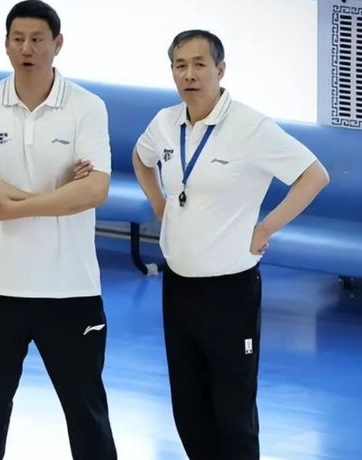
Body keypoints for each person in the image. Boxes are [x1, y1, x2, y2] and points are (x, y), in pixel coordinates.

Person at [132, 29, 330, 459]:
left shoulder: (250, 127)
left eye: (199, 64)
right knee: (188, 405)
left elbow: (314, 176)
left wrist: (266, 228)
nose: (189, 74)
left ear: (220, 70)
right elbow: (141, 158)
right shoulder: (165, 123)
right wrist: (159, 202)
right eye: (180, 66)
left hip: (229, 291)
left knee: (233, 408)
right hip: (178, 286)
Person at [0, 1, 118, 459]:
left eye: (37, 39)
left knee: (87, 414)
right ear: (6, 44)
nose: (26, 49)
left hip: (70, 290)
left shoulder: (87, 107)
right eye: (18, 39)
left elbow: (95, 191)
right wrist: (61, 196)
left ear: (57, 44)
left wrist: (15, 204)